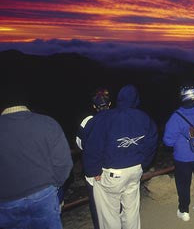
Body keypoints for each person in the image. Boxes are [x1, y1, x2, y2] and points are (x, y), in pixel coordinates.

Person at [83, 84, 158, 229]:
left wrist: (93, 171)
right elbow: (152, 142)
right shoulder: (144, 117)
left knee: (109, 214)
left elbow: (93, 146)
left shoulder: (106, 118)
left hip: (113, 174)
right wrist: (143, 164)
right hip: (135, 171)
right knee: (131, 210)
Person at [0, 82, 73, 229]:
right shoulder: (48, 123)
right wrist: (55, 187)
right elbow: (64, 163)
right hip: (44, 196)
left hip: (6, 202)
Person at [163, 84, 194, 222]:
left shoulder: (176, 117)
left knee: (183, 185)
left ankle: (184, 211)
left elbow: (168, 141)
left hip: (182, 158)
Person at [76, 88, 112, 229]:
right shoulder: (117, 116)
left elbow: (79, 144)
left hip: (94, 172)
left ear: (93, 106)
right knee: (116, 203)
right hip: (115, 167)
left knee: (97, 206)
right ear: (109, 104)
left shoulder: (87, 121)